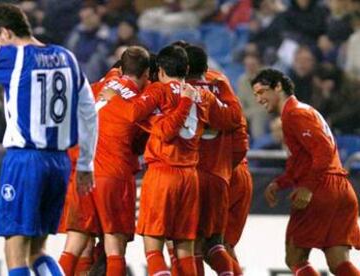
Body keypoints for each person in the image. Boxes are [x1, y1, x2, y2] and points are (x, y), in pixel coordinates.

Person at [0, 4, 97, 276]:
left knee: (15, 250)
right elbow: (89, 111)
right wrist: (85, 163)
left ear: (6, 33)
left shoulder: (14, 59)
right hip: (59, 163)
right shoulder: (67, 57)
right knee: (38, 251)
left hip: (26, 160)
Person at [101, 45, 241, 276]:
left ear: (161, 71)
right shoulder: (203, 95)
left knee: (154, 248)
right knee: (185, 249)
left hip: (163, 174)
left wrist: (115, 100)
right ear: (186, 68)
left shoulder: (159, 91)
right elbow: (231, 118)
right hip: (190, 177)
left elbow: (136, 114)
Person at [251, 68, 360, 276]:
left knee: (295, 257)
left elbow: (324, 151)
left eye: (262, 92)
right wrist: (281, 182)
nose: (259, 99)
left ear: (278, 87)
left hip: (321, 188)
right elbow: (301, 160)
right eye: (255, 95)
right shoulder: (303, 111)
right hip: (341, 189)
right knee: (338, 262)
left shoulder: (295, 113)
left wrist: (308, 188)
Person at [58, 46, 151, 276]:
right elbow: (143, 141)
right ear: (147, 73)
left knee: (77, 242)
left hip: (80, 172)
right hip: (113, 174)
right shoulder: (140, 102)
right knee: (114, 245)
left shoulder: (98, 86)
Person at [182, 45, 245, 276]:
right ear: (206, 67)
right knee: (217, 243)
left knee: (191, 245)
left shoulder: (176, 90)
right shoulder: (221, 83)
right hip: (220, 175)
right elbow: (237, 124)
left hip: (191, 175)